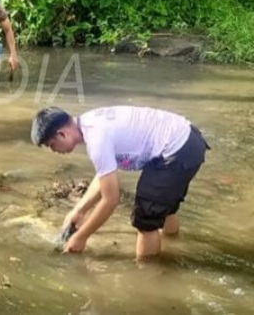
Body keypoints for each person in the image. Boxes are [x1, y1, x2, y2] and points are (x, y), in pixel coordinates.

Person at [31, 105, 210, 261]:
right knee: (163, 208)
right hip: (188, 140)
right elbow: (104, 177)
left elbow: (110, 200)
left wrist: (80, 237)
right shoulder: (91, 122)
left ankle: (148, 274)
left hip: (176, 149)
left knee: (145, 221)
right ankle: (173, 245)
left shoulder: (97, 140)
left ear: (61, 134)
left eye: (52, 145)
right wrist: (79, 210)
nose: (54, 151)